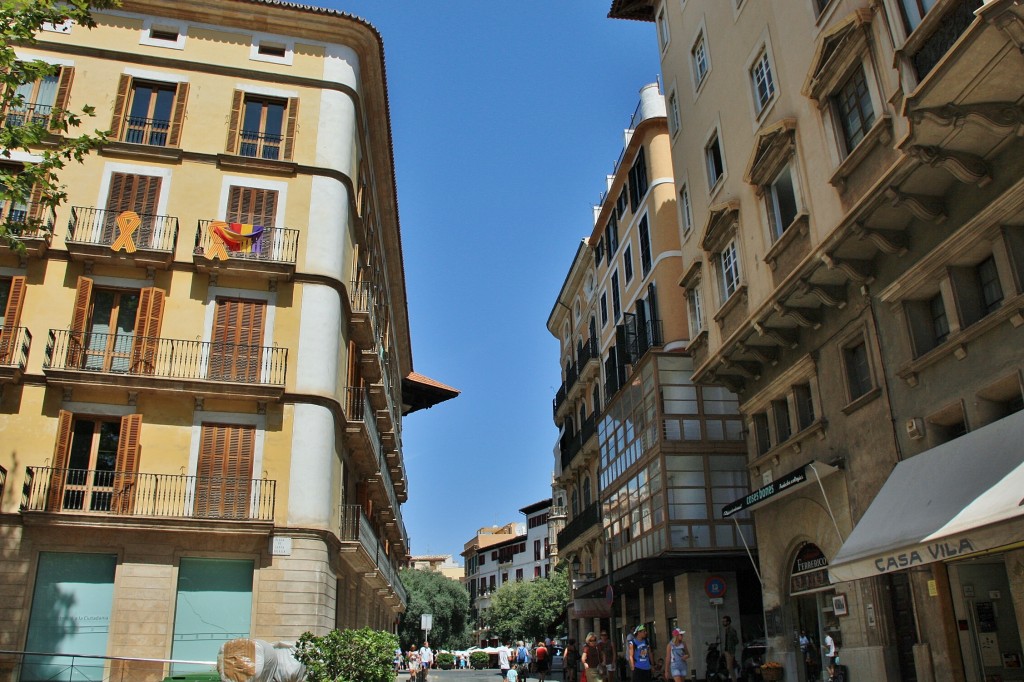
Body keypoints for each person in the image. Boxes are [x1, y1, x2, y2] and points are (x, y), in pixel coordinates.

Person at [721, 616, 739, 682]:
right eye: (723, 621)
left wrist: (731, 646)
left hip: (730, 651)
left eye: (724, 621)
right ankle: (733, 679)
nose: (723, 623)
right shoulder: (726, 630)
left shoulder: (731, 630)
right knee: (729, 667)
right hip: (727, 650)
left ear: (728, 622)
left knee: (729, 667)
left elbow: (736, 641)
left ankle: (734, 679)